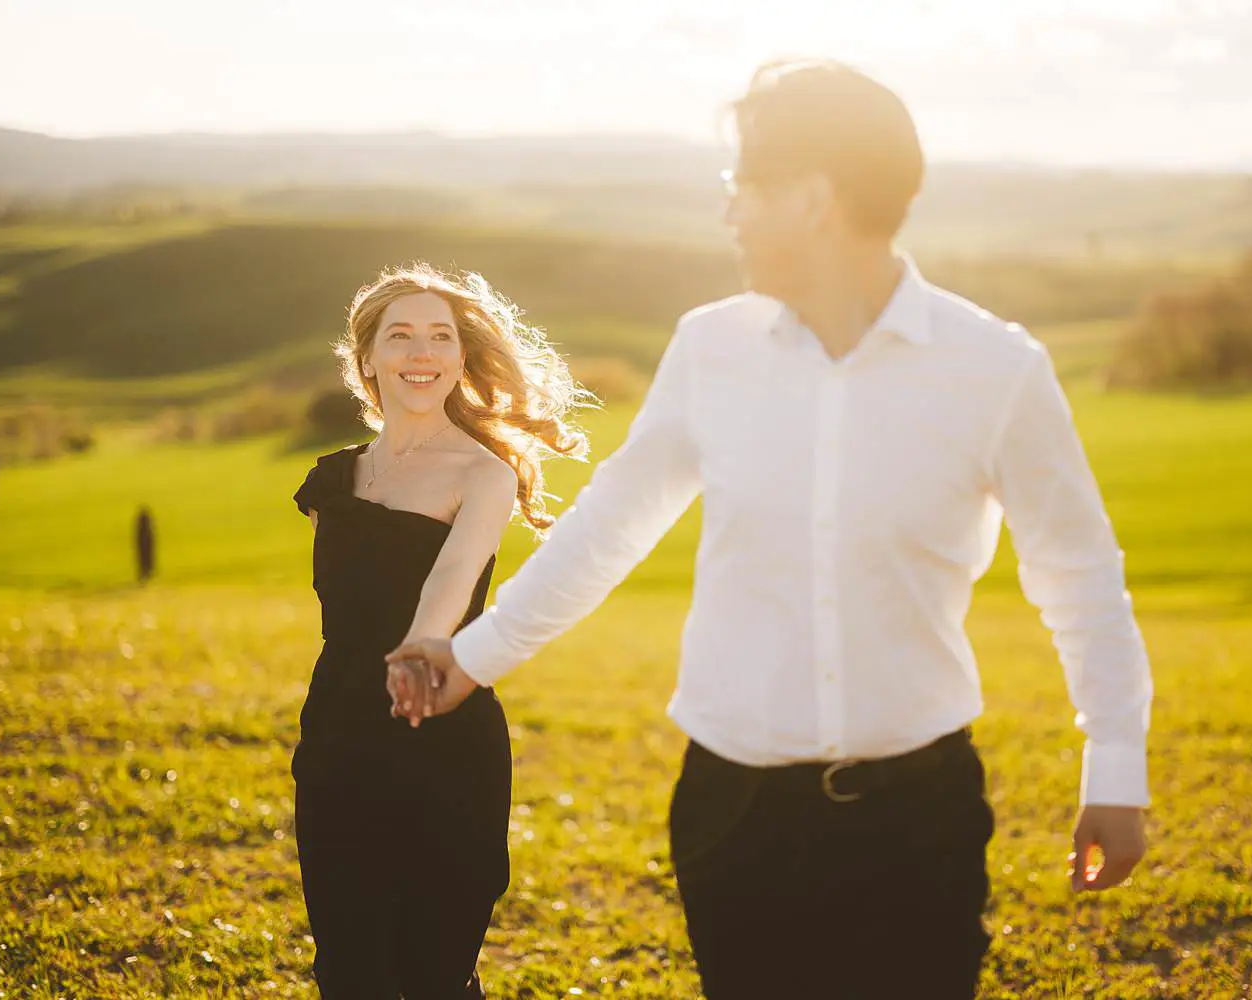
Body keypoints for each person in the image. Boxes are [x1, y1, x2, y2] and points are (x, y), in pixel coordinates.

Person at [389, 59, 1153, 999]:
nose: (729, 212)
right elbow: (610, 528)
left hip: (921, 816)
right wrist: (472, 655)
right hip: (733, 814)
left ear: (813, 199)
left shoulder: (995, 370)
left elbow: (1080, 579)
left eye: (743, 185)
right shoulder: (710, 351)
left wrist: (1114, 767)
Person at [291, 263, 589, 998]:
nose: (421, 353)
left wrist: (422, 645)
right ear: (367, 361)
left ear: (460, 358)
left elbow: (452, 580)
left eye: (439, 337)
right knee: (349, 968)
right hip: (338, 734)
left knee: (435, 973)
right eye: (400, 336)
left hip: (442, 729)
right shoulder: (333, 482)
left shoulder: (484, 474)